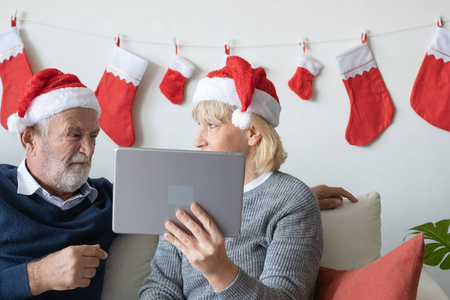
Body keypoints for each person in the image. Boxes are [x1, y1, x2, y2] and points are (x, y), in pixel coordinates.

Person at [139, 55, 325, 299]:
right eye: (199, 125)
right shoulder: (185, 193)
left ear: (252, 132)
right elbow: (160, 286)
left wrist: (220, 271)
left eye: (212, 125)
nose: (198, 141)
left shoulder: (292, 201)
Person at [0, 69, 116, 299]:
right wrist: (39, 276)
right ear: (29, 139)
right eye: (74, 135)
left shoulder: (108, 199)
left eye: (93, 136)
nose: (89, 149)